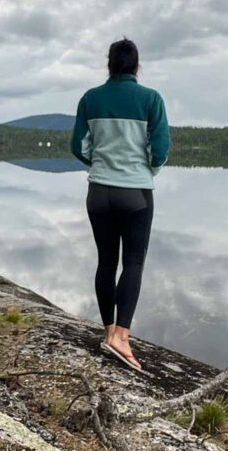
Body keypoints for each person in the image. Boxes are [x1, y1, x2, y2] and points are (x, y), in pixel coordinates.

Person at [70, 38, 170, 370]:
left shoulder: (91, 98)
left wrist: (99, 164)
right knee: (134, 262)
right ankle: (121, 338)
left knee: (106, 262)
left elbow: (77, 146)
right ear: (136, 66)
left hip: (99, 192)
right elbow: (161, 148)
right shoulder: (151, 99)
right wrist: (146, 170)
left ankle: (108, 330)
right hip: (135, 193)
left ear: (109, 64)